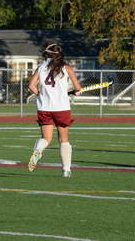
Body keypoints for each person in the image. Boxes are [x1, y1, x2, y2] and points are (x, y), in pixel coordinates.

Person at [27, 42, 82, 177]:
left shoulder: (41, 67)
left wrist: (41, 95)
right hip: (62, 108)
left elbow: (31, 86)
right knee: (63, 139)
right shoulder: (67, 68)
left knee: (46, 138)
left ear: (47, 53)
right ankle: (66, 170)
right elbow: (78, 88)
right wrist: (75, 92)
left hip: (44, 108)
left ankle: (38, 150)